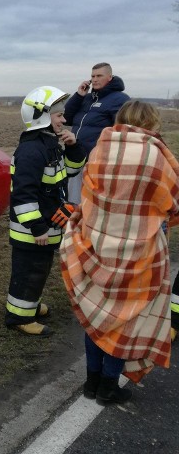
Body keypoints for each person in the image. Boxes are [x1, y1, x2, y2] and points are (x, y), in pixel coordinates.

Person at [61, 100, 179, 405]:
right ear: (151, 123)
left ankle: (91, 382)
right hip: (138, 252)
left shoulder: (100, 148)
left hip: (96, 244)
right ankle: (108, 386)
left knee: (97, 314)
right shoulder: (157, 155)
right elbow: (174, 204)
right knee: (123, 320)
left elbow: (87, 192)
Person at [5, 86, 86, 337]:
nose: (64, 119)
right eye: (59, 115)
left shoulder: (50, 144)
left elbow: (70, 172)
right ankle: (19, 317)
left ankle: (30, 306)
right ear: (41, 117)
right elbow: (23, 194)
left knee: (38, 271)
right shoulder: (32, 150)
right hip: (32, 230)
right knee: (28, 272)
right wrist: (38, 227)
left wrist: (73, 146)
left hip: (45, 226)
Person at [64, 62, 130, 204]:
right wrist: (79, 95)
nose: (94, 79)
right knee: (74, 200)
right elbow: (66, 118)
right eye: (92, 76)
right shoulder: (87, 98)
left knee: (92, 201)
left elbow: (123, 131)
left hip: (98, 161)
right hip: (76, 158)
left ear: (110, 77)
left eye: (99, 75)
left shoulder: (120, 100)